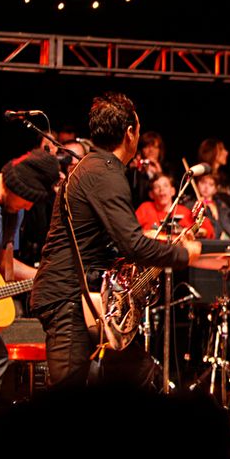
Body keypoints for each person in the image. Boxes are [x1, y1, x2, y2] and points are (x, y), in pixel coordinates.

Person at [29, 92, 202, 389]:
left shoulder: (93, 167)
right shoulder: (104, 173)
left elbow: (110, 239)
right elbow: (132, 244)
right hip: (68, 299)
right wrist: (185, 255)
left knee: (139, 374)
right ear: (130, 133)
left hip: (80, 298)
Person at [0, 150, 61, 417]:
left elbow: (4, 269)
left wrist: (45, 277)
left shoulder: (12, 212)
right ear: (16, 186)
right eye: (28, 199)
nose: (28, 207)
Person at [135, 174, 215, 240]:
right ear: (151, 194)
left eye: (165, 186)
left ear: (173, 191)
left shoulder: (183, 211)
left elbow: (208, 231)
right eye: (157, 187)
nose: (161, 189)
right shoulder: (145, 208)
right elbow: (132, 232)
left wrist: (193, 231)